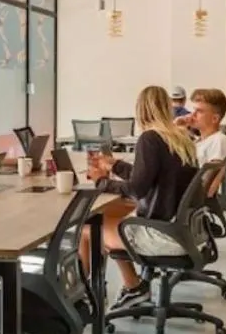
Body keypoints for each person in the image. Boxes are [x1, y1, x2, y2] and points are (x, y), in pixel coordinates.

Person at [85, 85, 198, 310]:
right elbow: (150, 176)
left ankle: (84, 296)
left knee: (88, 228)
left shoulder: (149, 138)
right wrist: (114, 164)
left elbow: (137, 189)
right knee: (111, 215)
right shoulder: (180, 138)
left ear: (141, 110)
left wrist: (100, 182)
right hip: (181, 229)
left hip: (160, 234)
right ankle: (133, 287)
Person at [190, 88, 226, 197]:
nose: (192, 115)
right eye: (193, 110)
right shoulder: (197, 141)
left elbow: (208, 187)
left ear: (215, 118)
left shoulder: (219, 140)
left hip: (191, 199)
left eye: (199, 111)